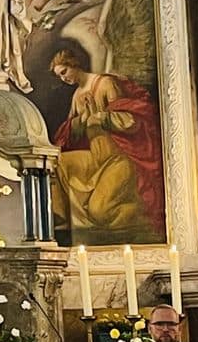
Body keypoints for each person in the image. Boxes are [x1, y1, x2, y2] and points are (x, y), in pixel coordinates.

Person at [49, 44, 165, 241]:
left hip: (119, 158)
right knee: (57, 161)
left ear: (74, 64)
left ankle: (142, 213)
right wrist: (81, 120)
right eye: (59, 76)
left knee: (99, 211)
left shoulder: (105, 83)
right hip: (96, 158)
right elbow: (70, 133)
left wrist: (101, 117)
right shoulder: (77, 96)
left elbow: (130, 118)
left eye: (64, 72)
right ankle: (60, 218)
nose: (64, 78)